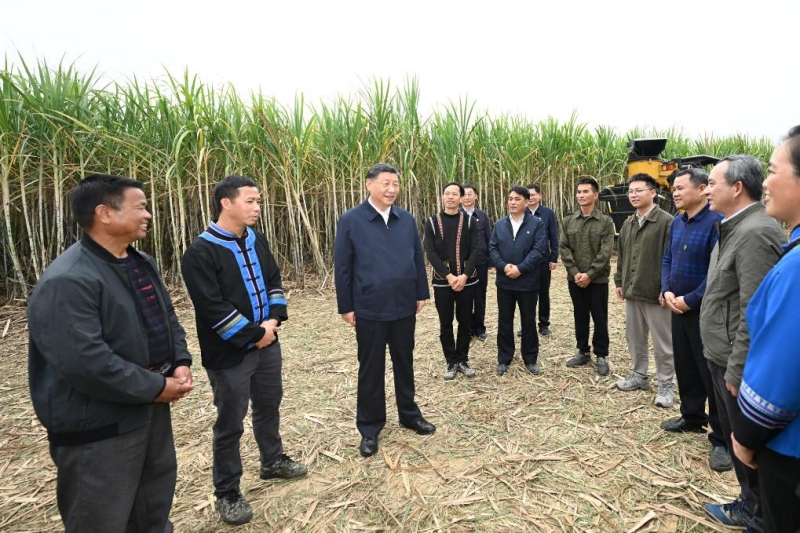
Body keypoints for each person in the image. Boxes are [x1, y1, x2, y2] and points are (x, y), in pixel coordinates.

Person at [27, 174, 194, 533]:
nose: (148, 214)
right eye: (141, 207)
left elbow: (166, 316)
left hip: (148, 411)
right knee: (100, 518)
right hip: (99, 429)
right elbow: (86, 363)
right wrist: (154, 386)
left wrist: (180, 362)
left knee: (152, 507)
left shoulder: (140, 262)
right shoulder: (68, 280)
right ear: (104, 213)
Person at [181, 175, 307, 526]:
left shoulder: (255, 238)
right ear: (226, 203)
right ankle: (227, 490)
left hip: (268, 342)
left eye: (259, 201)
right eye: (250, 201)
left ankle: (272, 460)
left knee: (269, 404)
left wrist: (273, 321)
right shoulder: (200, 252)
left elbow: (272, 281)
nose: (257, 207)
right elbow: (212, 307)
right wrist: (254, 334)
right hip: (230, 353)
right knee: (229, 421)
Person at [700, 155, 785, 530]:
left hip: (736, 365)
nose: (706, 190)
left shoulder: (755, 233)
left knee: (748, 447)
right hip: (720, 355)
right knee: (738, 443)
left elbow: (757, 311)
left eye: (712, 184)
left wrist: (737, 369)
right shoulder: (732, 227)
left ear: (736, 188)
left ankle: (758, 516)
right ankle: (748, 504)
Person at [334, 163, 435, 458]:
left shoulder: (405, 219)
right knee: (371, 368)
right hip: (369, 307)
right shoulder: (352, 220)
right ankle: (369, 427)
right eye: (385, 183)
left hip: (404, 305)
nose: (392, 189)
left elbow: (417, 256)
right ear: (369, 184)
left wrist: (420, 292)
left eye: (395, 184)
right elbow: (343, 266)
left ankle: (409, 414)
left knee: (405, 362)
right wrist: (347, 306)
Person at [732, 126, 800, 533]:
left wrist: (746, 434)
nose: (766, 182)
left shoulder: (795, 268)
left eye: (773, 170)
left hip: (789, 452)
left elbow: (782, 372)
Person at [659, 168, 732, 472]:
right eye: (673, 188)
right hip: (676, 306)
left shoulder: (717, 223)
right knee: (686, 364)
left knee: (710, 372)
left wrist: (690, 300)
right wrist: (666, 289)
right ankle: (692, 416)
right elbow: (668, 259)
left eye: (680, 187)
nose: (675, 193)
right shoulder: (677, 222)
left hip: (704, 311)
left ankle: (722, 439)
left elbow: (716, 272)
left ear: (702, 189)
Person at [614, 174, 675, 406]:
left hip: (655, 293)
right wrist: (620, 281)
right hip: (632, 289)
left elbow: (671, 258)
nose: (633, 195)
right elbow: (622, 255)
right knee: (635, 337)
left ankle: (666, 384)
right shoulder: (628, 223)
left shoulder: (666, 222)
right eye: (631, 191)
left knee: (663, 342)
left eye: (639, 190)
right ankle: (639, 375)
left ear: (653, 193)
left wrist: (666, 287)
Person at [424, 182, 482, 380]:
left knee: (465, 323)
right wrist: (449, 276)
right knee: (445, 323)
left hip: (467, 281)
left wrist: (464, 275)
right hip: (443, 282)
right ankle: (451, 361)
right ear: (442, 197)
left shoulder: (469, 222)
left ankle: (463, 360)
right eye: (447, 193)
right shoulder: (431, 222)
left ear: (461, 198)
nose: (450, 197)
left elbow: (476, 249)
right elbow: (430, 252)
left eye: (454, 194)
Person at [489, 185, 548, 376]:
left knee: (528, 321)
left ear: (526, 201)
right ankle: (504, 358)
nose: (512, 202)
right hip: (505, 282)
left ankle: (530, 359)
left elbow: (539, 251)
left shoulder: (536, 224)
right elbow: (493, 249)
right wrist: (504, 266)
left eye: (517, 199)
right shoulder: (499, 224)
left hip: (527, 282)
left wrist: (521, 268)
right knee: (504, 321)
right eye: (510, 199)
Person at [561, 177, 615, 376]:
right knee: (580, 314)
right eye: (579, 192)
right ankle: (583, 351)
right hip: (575, 280)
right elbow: (564, 248)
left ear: (595, 195)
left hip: (597, 280)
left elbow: (606, 252)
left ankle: (601, 354)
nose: (581, 195)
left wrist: (590, 274)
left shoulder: (606, 221)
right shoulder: (568, 220)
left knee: (599, 317)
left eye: (585, 192)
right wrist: (575, 273)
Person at [516, 183, 558, 337]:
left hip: (542, 261)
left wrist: (553, 257)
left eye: (534, 194)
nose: (532, 197)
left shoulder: (547, 213)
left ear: (540, 196)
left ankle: (544, 324)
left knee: (543, 293)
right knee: (525, 294)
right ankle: (527, 325)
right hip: (524, 262)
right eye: (529, 195)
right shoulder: (522, 213)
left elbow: (553, 236)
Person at [460, 184, 492, 341]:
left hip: (480, 262)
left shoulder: (482, 216)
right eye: (464, 194)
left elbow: (489, 238)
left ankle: (479, 328)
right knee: (464, 298)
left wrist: (490, 261)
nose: (467, 197)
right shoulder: (455, 215)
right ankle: (466, 329)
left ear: (476, 196)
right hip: (462, 264)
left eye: (470, 194)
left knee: (480, 296)